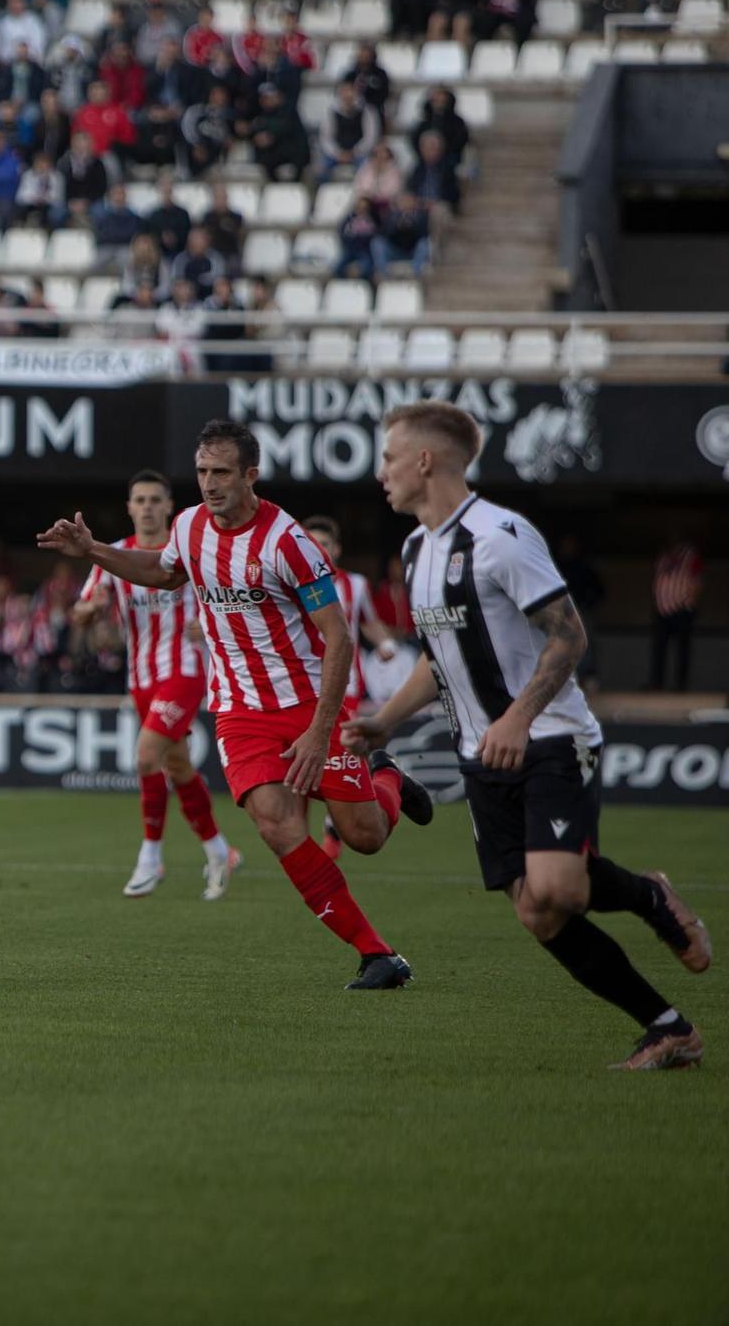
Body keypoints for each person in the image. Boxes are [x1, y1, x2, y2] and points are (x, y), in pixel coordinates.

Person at [344, 401, 710, 1069]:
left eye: (390, 457)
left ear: (425, 461)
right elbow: (438, 658)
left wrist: (516, 717)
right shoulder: (415, 548)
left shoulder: (500, 535)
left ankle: (649, 894)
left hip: (549, 735)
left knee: (562, 888)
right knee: (538, 914)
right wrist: (384, 721)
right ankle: (667, 1028)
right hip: (480, 753)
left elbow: (569, 633)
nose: (382, 473)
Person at [39, 420, 434, 990]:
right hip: (239, 710)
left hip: (305, 706)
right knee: (275, 824)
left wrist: (323, 730)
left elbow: (339, 637)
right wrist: (94, 551)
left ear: (249, 474)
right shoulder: (190, 526)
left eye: (221, 472)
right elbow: (164, 573)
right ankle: (377, 954)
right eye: (201, 472)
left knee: (365, 836)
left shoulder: (287, 541)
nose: (209, 484)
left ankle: (387, 776)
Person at [74, 470, 240, 899]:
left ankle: (150, 856)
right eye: (139, 500)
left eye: (154, 500)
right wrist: (91, 610)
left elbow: (227, 597)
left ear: (168, 506)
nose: (147, 507)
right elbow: (79, 612)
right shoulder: (115, 556)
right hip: (140, 679)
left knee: (147, 756)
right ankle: (220, 851)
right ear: (129, 508)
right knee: (178, 766)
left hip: (184, 673)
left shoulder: (187, 549)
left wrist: (209, 624)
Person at [301, 515, 402, 860]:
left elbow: (370, 623)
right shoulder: (290, 582)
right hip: (301, 689)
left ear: (337, 549)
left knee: (340, 762)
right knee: (301, 763)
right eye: (312, 544)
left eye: (325, 544)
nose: (319, 550)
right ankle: (304, 838)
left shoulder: (354, 585)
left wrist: (386, 644)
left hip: (346, 688)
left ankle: (333, 828)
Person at [649, 540, 703, 692]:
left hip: (682, 609)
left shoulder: (690, 556)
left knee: (682, 649)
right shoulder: (663, 557)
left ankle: (681, 685)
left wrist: (691, 602)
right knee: (659, 649)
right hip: (662, 610)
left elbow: (698, 581)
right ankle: (657, 683)